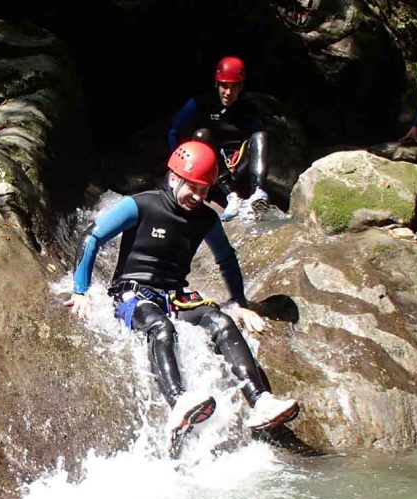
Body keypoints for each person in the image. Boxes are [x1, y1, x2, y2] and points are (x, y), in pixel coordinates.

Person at [65, 141, 300, 458]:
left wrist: (240, 302)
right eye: (194, 188)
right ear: (174, 177)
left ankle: (260, 401)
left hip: (175, 295)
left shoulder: (205, 218)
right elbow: (93, 237)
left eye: (205, 190)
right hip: (131, 292)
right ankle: (179, 402)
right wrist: (81, 291)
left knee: (221, 321)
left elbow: (227, 259)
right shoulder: (141, 205)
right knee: (161, 328)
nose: (200, 197)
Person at [167, 56, 269, 222]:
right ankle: (231, 195)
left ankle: (258, 193)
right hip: (210, 170)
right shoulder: (200, 103)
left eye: (234, 87)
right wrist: (178, 168)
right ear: (216, 84)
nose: (228, 93)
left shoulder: (247, 109)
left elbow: (256, 142)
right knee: (201, 135)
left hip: (238, 165)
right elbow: (174, 131)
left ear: (241, 87)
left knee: (260, 135)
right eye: (224, 86)